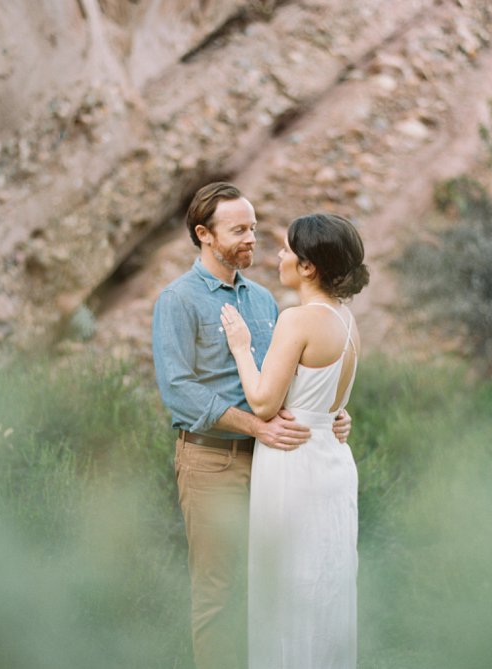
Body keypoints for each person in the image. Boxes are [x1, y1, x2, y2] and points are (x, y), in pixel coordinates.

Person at [152, 183, 351, 669]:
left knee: (271, 584)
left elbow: (283, 378)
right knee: (219, 591)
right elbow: (178, 389)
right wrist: (256, 426)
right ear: (204, 235)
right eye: (239, 230)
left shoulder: (265, 301)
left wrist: (327, 413)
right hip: (211, 461)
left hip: (275, 463)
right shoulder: (177, 301)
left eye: (254, 228)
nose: (252, 239)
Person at [219, 212, 369, 669]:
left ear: (308, 267)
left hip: (293, 463)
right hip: (332, 460)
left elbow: (264, 403)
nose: (278, 256)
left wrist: (242, 348)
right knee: (326, 582)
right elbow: (329, 404)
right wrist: (336, 417)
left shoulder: (297, 320)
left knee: (287, 586)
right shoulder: (347, 321)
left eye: (286, 250)